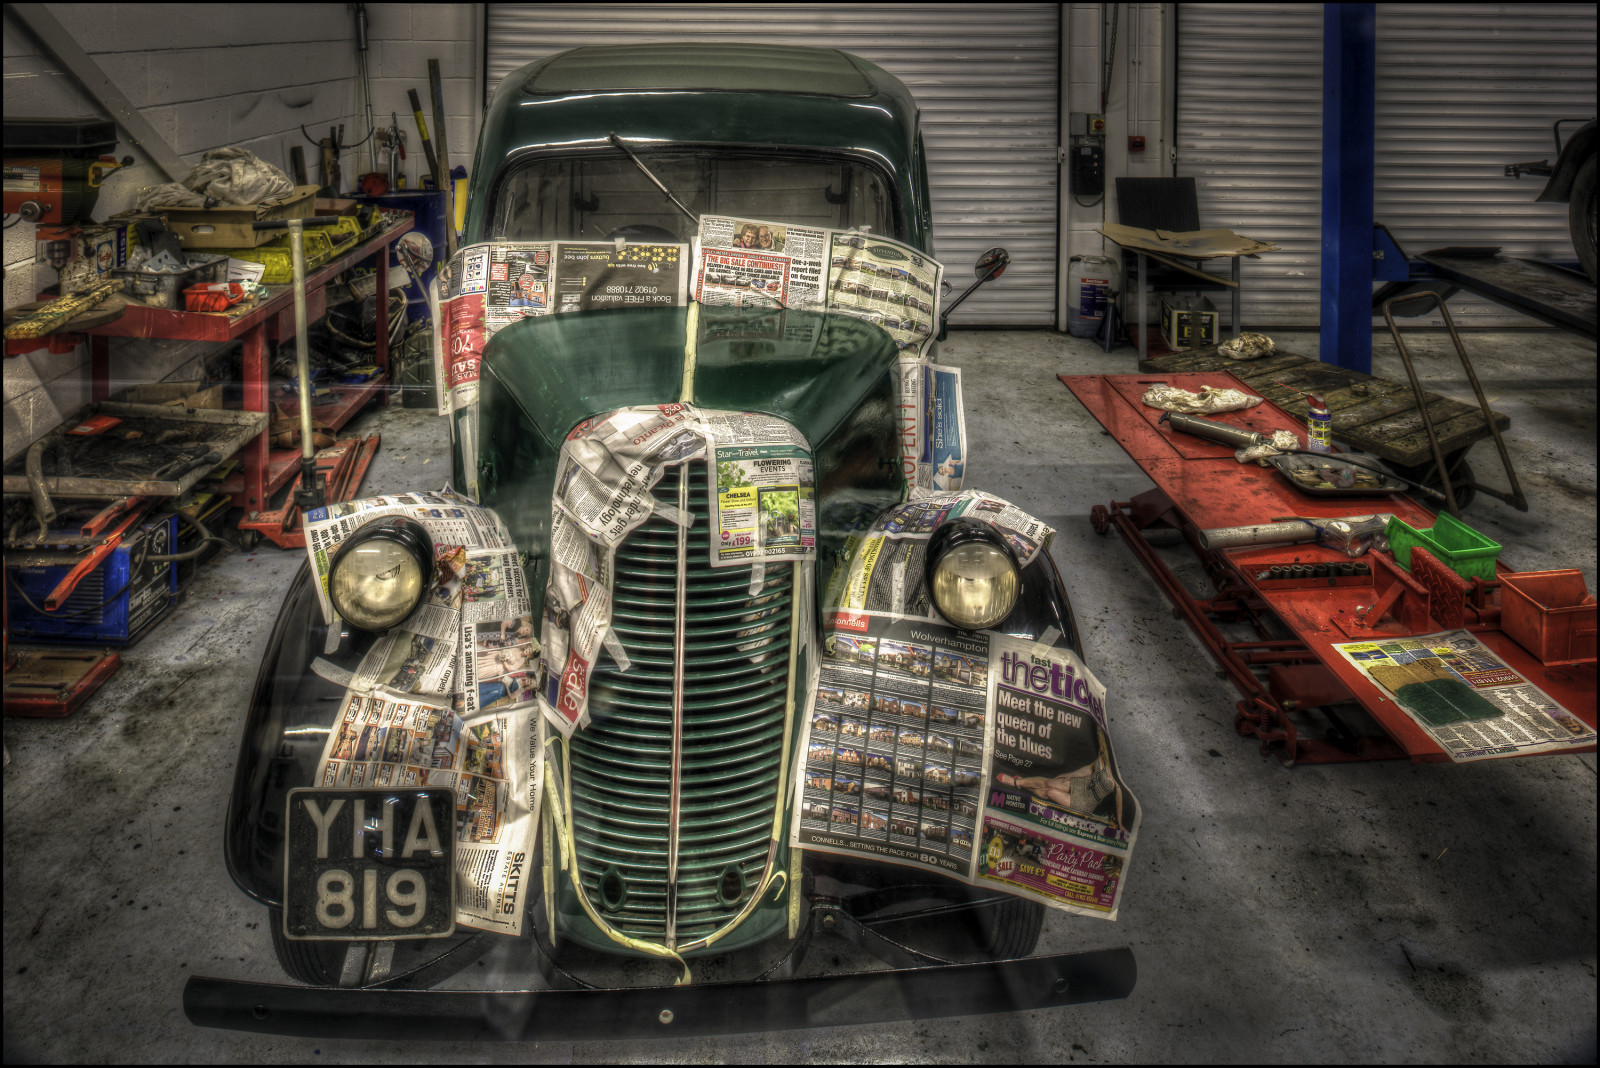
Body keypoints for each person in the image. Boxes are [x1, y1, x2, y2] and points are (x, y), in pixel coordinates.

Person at [996, 732, 1126, 829]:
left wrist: (1120, 823)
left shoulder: (1116, 775)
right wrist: (1070, 774)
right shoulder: (1102, 758)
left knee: (1050, 792)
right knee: (1049, 783)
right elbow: (1088, 769)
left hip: (1086, 802)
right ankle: (1016, 782)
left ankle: (1021, 784)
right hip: (1081, 785)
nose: (1101, 747)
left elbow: (1119, 799)